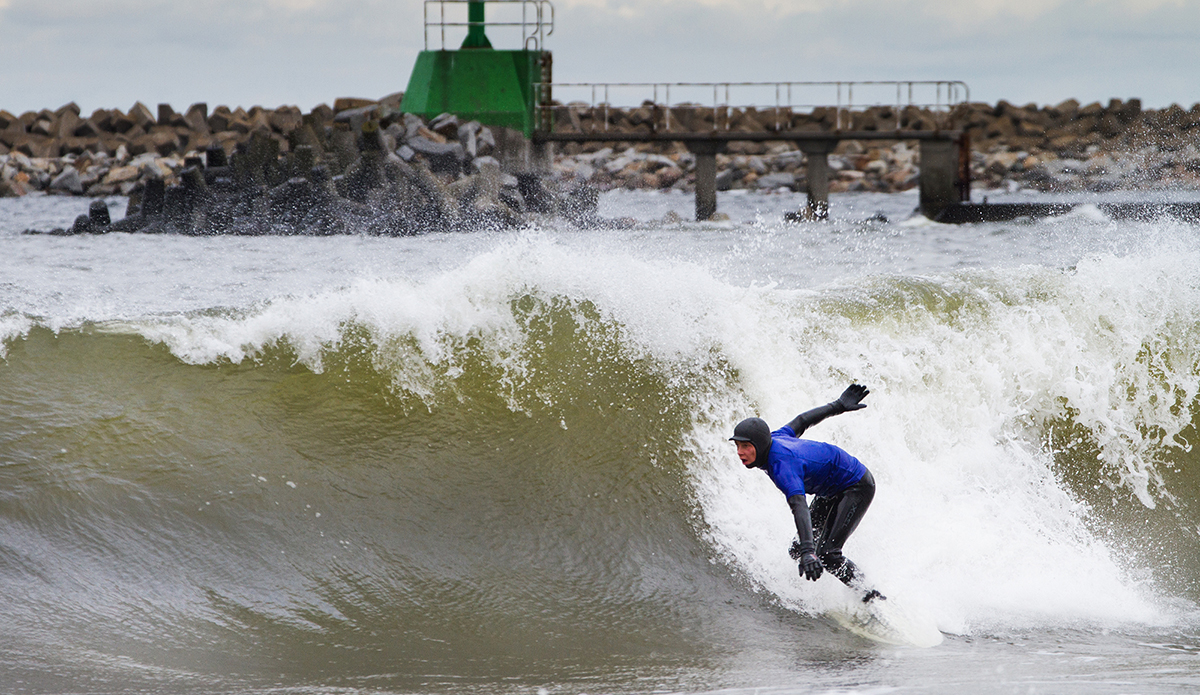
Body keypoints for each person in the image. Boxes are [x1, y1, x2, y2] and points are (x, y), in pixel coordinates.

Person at [730, 384, 883, 602]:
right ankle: (823, 598)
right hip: (831, 488)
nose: (740, 452)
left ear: (760, 444)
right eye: (737, 446)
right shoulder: (775, 438)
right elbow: (801, 421)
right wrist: (838, 405)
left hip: (856, 485)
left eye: (746, 446)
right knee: (797, 549)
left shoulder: (783, 466)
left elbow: (799, 505)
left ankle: (873, 598)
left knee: (828, 555)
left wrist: (809, 551)